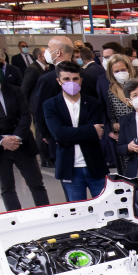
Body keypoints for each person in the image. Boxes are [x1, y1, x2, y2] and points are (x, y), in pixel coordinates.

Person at [0, 55, 49, 210]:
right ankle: (14, 216)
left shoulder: (15, 91)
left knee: (36, 184)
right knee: (7, 188)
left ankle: (45, 212)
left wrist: (16, 137)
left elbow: (25, 115)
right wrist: (1, 141)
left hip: (22, 144)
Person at [42, 60, 109, 202]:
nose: (71, 82)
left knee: (105, 208)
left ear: (81, 80)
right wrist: (89, 131)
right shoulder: (50, 105)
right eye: (66, 79)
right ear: (59, 81)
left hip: (95, 165)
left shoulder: (93, 103)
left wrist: (69, 134)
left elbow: (98, 133)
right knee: (78, 211)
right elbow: (59, 134)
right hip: (70, 169)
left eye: (75, 79)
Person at [30, 37, 76, 164]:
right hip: (86, 135)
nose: (47, 51)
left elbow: (40, 110)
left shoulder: (46, 79)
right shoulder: (85, 75)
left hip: (57, 136)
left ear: (58, 53)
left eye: (49, 48)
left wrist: (45, 134)